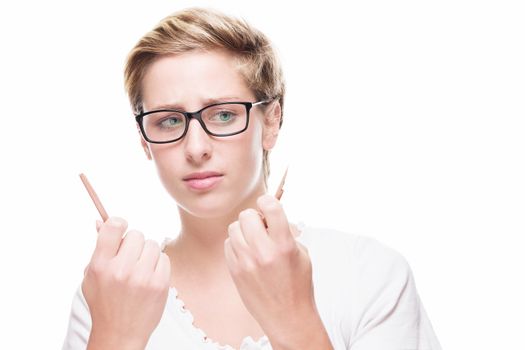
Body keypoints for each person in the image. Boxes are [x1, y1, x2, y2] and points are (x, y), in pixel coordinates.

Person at [62, 7, 441, 350]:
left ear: (271, 121)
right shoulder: (109, 293)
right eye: (170, 120)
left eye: (223, 114)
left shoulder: (368, 274)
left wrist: (294, 319)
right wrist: (116, 337)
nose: (196, 148)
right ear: (145, 140)